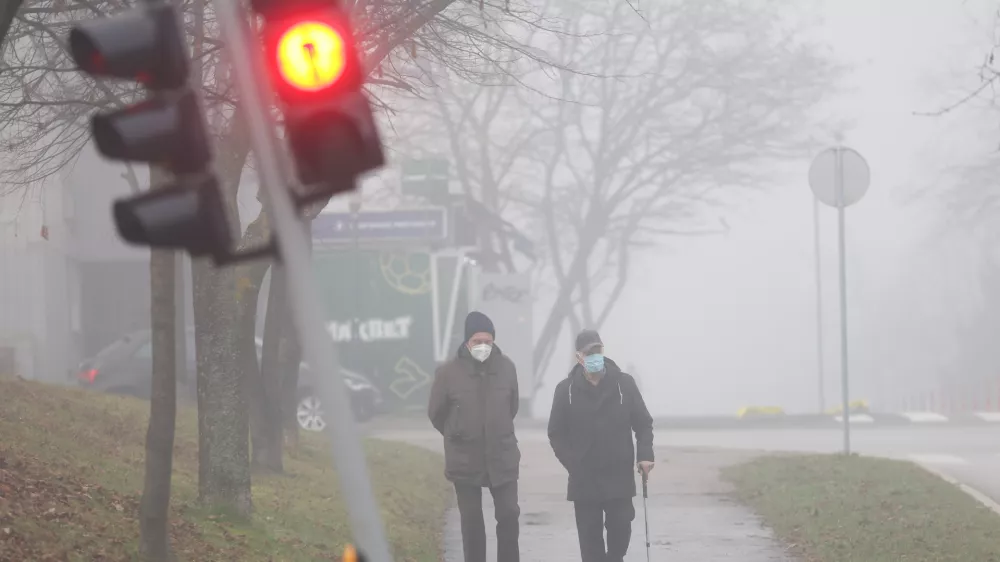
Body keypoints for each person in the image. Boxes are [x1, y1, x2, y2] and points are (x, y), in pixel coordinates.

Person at [547, 329, 654, 562]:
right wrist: (573, 463)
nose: (595, 356)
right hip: (584, 478)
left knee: (621, 530)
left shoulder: (624, 384)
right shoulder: (566, 391)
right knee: (589, 542)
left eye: (598, 350)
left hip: (618, 476)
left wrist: (645, 455)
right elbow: (556, 433)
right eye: (589, 352)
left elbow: (643, 424)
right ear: (579, 357)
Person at [428, 311, 521, 562]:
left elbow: (512, 406)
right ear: (467, 342)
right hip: (464, 458)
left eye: (487, 341)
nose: (482, 346)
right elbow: (436, 414)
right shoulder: (448, 373)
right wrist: (457, 431)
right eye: (477, 341)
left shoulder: (507, 368)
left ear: (494, 341)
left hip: (502, 456)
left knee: (509, 514)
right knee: (471, 523)